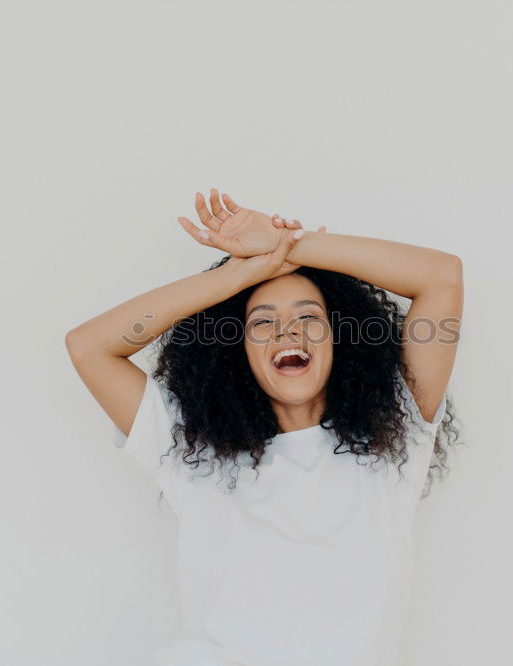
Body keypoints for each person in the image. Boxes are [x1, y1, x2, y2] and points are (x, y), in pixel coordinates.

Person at [65, 188, 464, 666]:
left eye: (308, 318)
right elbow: (89, 346)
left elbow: (442, 277)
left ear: (342, 342)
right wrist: (241, 272)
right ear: (238, 352)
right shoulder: (193, 449)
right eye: (261, 322)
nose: (286, 333)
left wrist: (282, 244)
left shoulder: (394, 440)